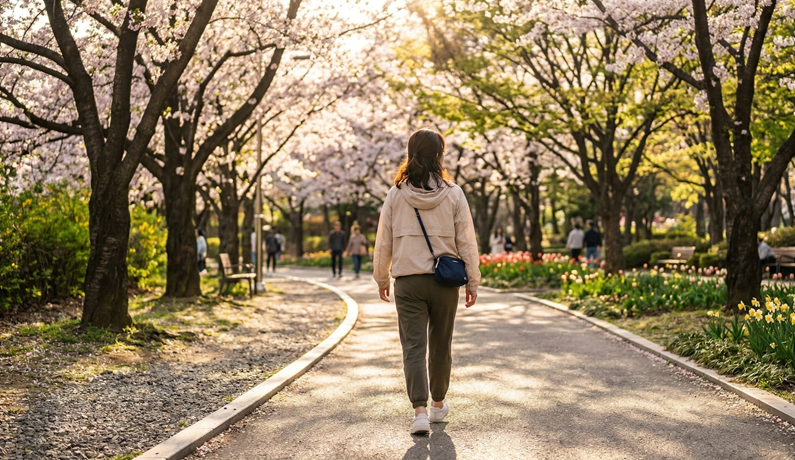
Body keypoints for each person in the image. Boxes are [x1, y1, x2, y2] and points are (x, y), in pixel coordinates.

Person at [373, 127, 480, 435]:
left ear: (411, 154)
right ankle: (437, 406)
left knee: (413, 346)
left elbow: (384, 242)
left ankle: (419, 412)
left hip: (408, 280)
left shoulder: (396, 194)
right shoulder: (454, 193)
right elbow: (467, 241)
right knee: (441, 343)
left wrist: (381, 277)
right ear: (439, 156)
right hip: (445, 281)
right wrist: (472, 281)